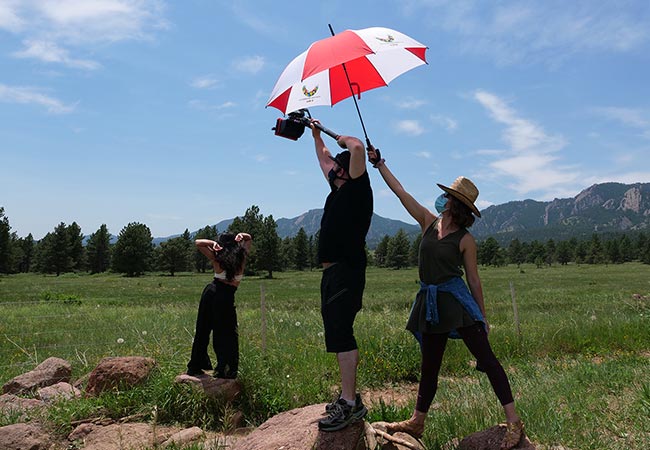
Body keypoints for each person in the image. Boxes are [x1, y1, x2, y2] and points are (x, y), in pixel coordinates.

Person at [367, 148, 525, 450]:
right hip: (430, 304)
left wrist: (482, 315)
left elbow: (473, 280)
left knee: (488, 360)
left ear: (456, 204)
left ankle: (514, 422)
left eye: (450, 197)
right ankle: (418, 421)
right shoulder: (428, 221)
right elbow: (400, 193)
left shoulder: (466, 239)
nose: (445, 200)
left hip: (456, 304)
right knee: (430, 365)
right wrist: (380, 164)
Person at [309, 120, 373, 432]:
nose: (331, 169)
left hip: (346, 272)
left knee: (342, 332)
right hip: (335, 274)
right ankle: (349, 399)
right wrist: (315, 132)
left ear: (348, 169)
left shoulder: (359, 189)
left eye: (337, 165)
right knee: (336, 333)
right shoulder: (339, 188)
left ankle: (349, 404)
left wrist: (336, 136)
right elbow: (323, 158)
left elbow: (357, 147)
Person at [186, 232, 252, 379]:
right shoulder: (242, 258)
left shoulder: (217, 258)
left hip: (211, 292)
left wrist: (212, 244)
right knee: (227, 333)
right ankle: (226, 369)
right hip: (226, 297)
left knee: (202, 330)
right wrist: (241, 235)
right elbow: (248, 238)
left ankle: (195, 366)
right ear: (235, 245)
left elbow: (198, 243)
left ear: (221, 245)